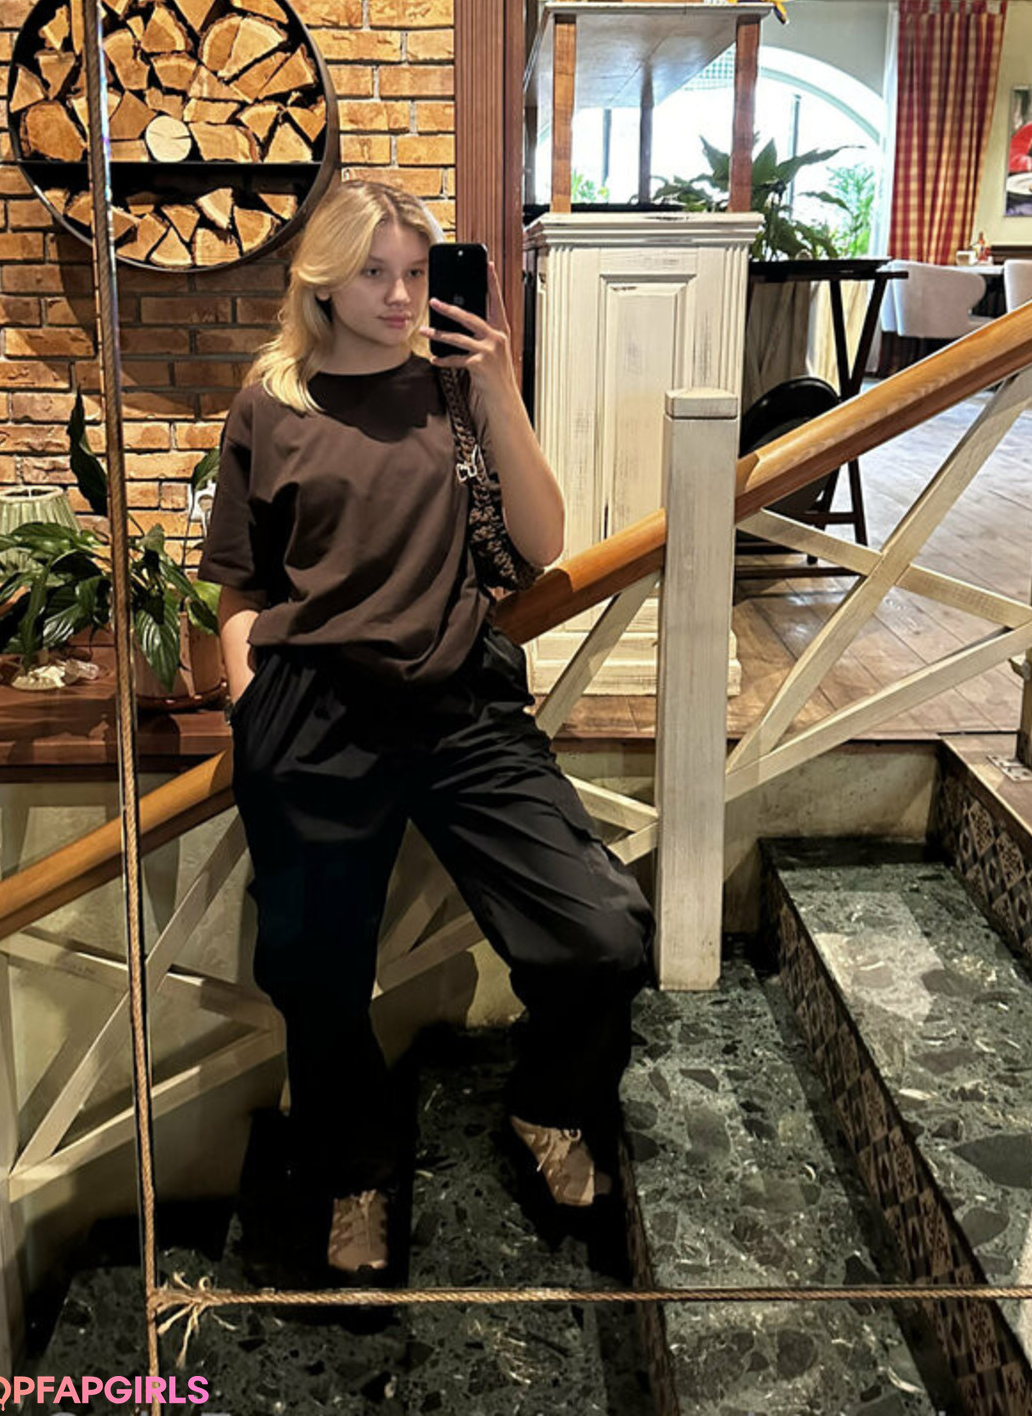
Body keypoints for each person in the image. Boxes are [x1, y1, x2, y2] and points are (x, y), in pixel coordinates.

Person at [198, 179, 656, 1279]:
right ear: (324, 280)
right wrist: (249, 693)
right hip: (314, 712)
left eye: (416, 271)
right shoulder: (271, 405)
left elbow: (541, 543)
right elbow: (240, 582)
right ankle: (354, 1172)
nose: (402, 295)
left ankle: (550, 1104)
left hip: (460, 704)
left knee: (603, 929)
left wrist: (498, 386)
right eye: (375, 272)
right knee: (314, 974)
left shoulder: (456, 386)